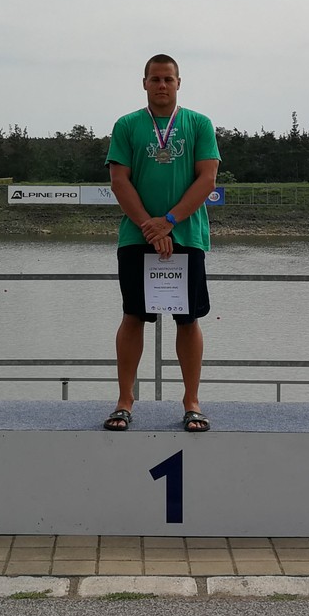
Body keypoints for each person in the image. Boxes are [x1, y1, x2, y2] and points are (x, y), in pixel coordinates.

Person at [104, 54, 220, 433]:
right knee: (133, 315)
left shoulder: (199, 124)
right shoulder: (127, 125)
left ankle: (191, 402)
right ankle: (125, 400)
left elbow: (207, 179)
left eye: (168, 79)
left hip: (186, 235)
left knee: (188, 319)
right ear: (144, 83)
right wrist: (149, 228)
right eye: (155, 79)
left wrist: (168, 222)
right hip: (137, 238)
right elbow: (119, 181)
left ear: (178, 83)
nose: (162, 85)